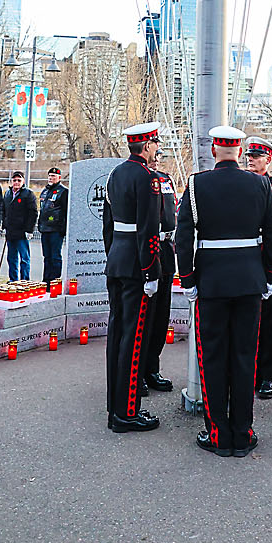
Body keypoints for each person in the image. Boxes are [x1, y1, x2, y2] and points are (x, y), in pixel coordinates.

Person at [176, 125, 272, 456]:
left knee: (213, 357)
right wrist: (271, 277)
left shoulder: (196, 184)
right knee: (244, 355)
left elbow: (183, 238)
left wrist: (188, 280)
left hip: (211, 282)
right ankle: (243, 430)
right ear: (239, 152)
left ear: (213, 151)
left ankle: (218, 433)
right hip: (250, 281)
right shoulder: (260, 182)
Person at [103, 121, 163, 433]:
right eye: (155, 144)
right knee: (133, 338)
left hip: (117, 261)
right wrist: (151, 270)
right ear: (147, 146)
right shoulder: (147, 178)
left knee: (116, 334)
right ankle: (127, 413)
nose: (157, 149)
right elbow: (149, 230)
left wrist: (113, 256)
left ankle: (114, 405)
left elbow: (108, 226)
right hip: (137, 265)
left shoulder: (116, 175)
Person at [246, 138, 272, 396]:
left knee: (270, 321)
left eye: (257, 156)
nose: (251, 159)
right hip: (246, 259)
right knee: (247, 321)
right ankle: (248, 372)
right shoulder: (242, 184)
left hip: (268, 257)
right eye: (249, 155)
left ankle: (268, 375)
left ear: (268, 159)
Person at [144, 159, 176, 394]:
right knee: (145, 317)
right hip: (146, 249)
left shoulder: (166, 179)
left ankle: (153, 368)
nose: (156, 158)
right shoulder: (139, 178)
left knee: (161, 316)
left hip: (165, 249)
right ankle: (138, 373)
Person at [3, 171, 37, 280]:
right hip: (10, 231)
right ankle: (13, 280)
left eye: (19, 180)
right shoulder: (7, 194)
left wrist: (30, 230)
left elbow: (33, 213)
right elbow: (4, 211)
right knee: (11, 258)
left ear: (23, 181)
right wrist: (3, 226)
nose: (16, 182)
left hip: (22, 232)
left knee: (24, 258)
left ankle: (24, 281)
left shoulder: (28, 194)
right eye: (14, 180)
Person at [38, 166, 68, 288]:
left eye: (54, 176)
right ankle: (46, 280)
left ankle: (55, 282)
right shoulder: (45, 191)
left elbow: (66, 211)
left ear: (59, 178)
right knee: (46, 256)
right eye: (50, 176)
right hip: (45, 229)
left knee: (55, 256)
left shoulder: (63, 191)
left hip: (56, 229)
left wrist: (63, 228)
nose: (51, 178)